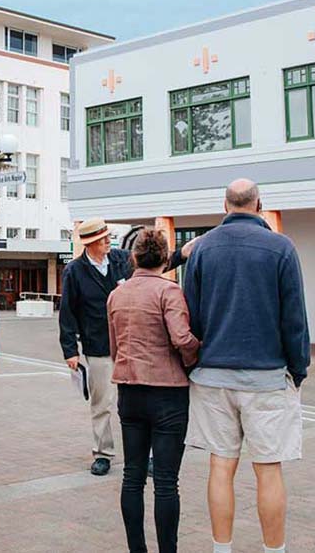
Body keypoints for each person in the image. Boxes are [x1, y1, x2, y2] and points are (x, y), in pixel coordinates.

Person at [182, 180, 310, 553]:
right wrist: (297, 369)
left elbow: (192, 315)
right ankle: (275, 550)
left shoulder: (203, 249)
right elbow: (294, 318)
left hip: (213, 377)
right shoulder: (281, 248)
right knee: (268, 469)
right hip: (267, 377)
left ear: (224, 204)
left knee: (221, 467)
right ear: (259, 205)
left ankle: (222, 549)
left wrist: (194, 364)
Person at [58, 217, 193, 476]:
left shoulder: (122, 259)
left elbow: (153, 267)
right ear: (91, 243)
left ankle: (152, 454)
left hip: (131, 344)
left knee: (144, 401)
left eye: (109, 236)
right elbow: (68, 313)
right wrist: (70, 351)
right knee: (101, 403)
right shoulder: (75, 271)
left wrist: (181, 256)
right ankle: (102, 453)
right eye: (103, 238)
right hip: (98, 346)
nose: (109, 240)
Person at [107, 228, 200, 553]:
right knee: (165, 481)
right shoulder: (169, 292)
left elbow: (115, 347)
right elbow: (181, 338)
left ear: (134, 257)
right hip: (167, 393)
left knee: (132, 476)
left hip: (129, 391)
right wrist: (195, 354)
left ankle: (137, 549)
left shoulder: (116, 295)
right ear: (164, 257)